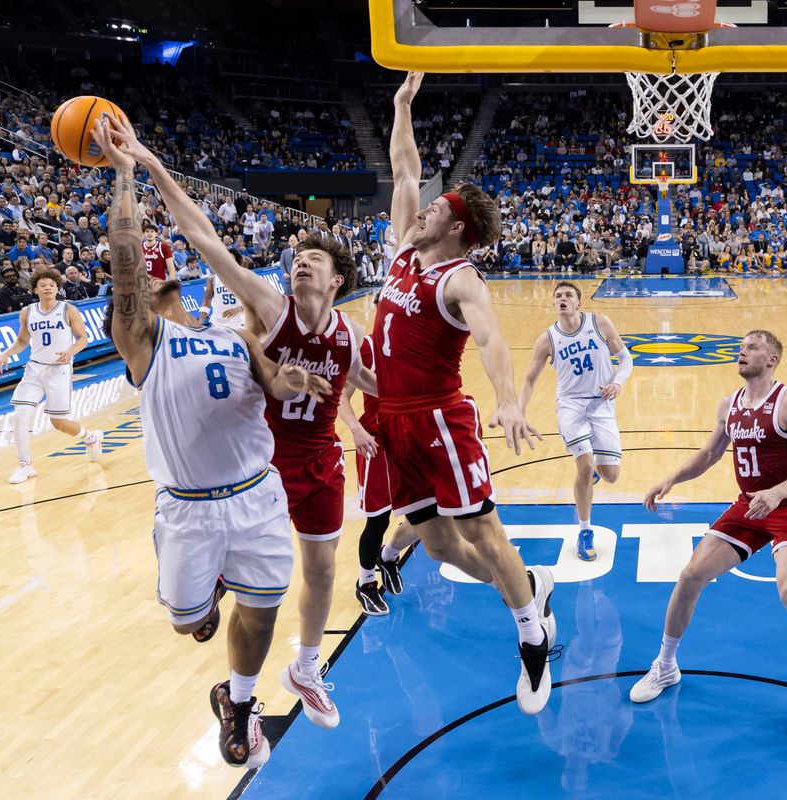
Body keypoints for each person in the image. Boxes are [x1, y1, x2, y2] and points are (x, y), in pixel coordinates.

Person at [110, 114, 376, 730]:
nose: (300, 264)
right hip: (262, 457)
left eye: (314, 260)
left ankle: (306, 668)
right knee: (201, 607)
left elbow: (367, 384)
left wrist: (360, 420)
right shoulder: (268, 306)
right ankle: (211, 569)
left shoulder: (351, 335)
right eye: (298, 257)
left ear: (337, 281)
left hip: (317, 458)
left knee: (319, 568)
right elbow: (205, 238)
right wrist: (150, 164)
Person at [377, 72, 558, 714]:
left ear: (456, 230)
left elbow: (491, 340)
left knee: (482, 532)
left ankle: (532, 638)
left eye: (437, 210)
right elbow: (404, 170)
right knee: (438, 545)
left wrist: (509, 398)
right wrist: (402, 106)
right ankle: (528, 588)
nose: (423, 209)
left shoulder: (461, 279)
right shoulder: (405, 250)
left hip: (438, 419)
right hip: (392, 419)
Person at [633, 330, 787, 745]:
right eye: (741, 346)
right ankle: (666, 664)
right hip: (749, 505)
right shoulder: (729, 404)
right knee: (691, 574)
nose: (742, 351)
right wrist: (670, 479)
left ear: (772, 359)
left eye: (752, 347)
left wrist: (778, 492)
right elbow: (711, 454)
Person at [519, 281, 633, 560]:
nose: (562, 299)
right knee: (583, 467)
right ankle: (584, 531)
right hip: (570, 406)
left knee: (611, 476)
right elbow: (529, 380)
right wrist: (519, 412)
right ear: (554, 304)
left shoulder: (600, 323)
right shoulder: (547, 339)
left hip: (602, 403)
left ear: (579, 302)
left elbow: (626, 358)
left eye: (568, 295)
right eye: (558, 296)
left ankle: (595, 470)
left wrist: (617, 383)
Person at [0, 268, 104, 484]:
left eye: (52, 285)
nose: (48, 288)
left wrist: (70, 352)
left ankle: (91, 438)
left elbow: (82, 339)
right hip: (34, 369)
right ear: (35, 289)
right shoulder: (27, 311)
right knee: (19, 416)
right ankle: (25, 465)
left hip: (59, 370)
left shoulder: (68, 309)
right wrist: (5, 355)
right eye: (43, 285)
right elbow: (23, 340)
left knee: (59, 422)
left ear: (57, 288)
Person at [338, 325, 421, 614]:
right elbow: (342, 396)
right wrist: (356, 429)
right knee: (378, 520)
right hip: (376, 441)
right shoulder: (367, 348)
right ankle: (366, 584)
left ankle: (388, 556)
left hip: (410, 439)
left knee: (426, 515)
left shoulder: (417, 345)